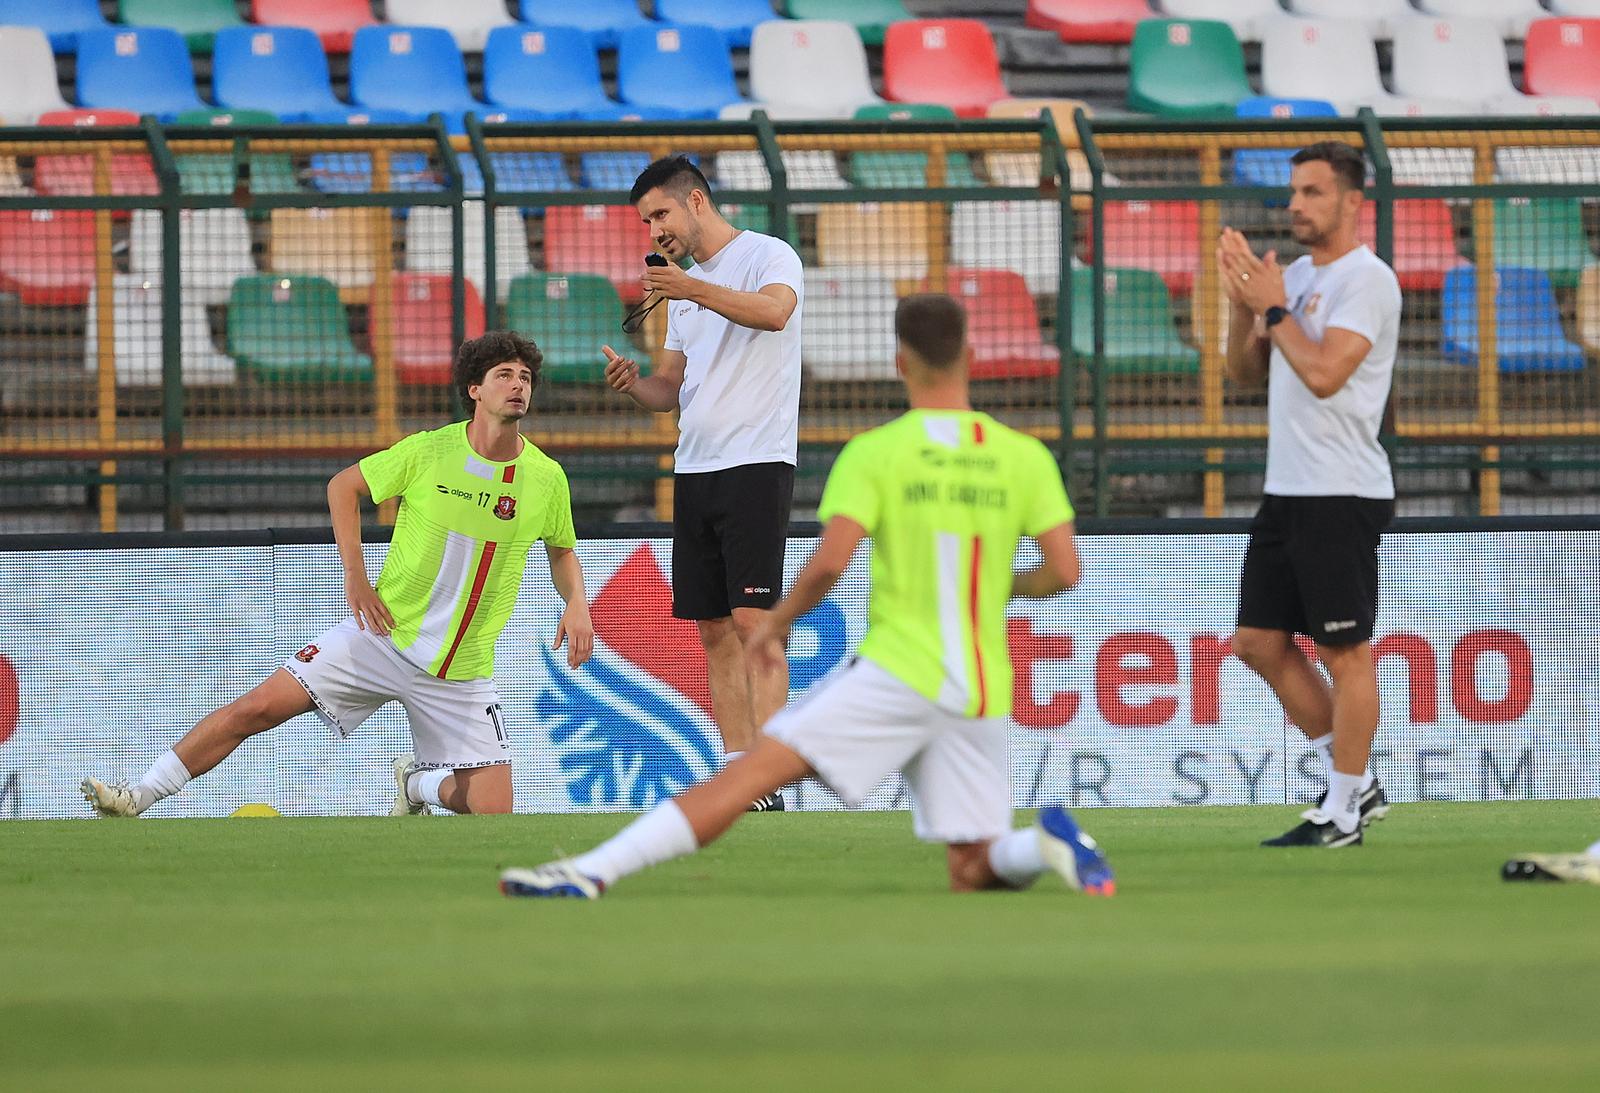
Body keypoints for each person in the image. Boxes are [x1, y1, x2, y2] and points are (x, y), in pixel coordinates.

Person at [500, 294, 1114, 900]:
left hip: (901, 673)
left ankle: (590, 871)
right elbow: (1063, 571)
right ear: (972, 357)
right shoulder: (1023, 456)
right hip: (981, 688)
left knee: (746, 779)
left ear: (899, 362)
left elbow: (829, 564)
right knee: (971, 868)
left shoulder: (877, 453)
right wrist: (999, 584)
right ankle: (1044, 844)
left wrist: (777, 623)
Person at [81, 331, 593, 818]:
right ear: (474, 389)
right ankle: (138, 795)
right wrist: (356, 577)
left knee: (493, 808)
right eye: (505, 375)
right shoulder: (427, 452)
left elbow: (562, 552)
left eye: (526, 377)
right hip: (383, 635)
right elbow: (342, 487)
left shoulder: (546, 479)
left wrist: (577, 604)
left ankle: (414, 782)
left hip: (461, 670)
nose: (519, 385)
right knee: (257, 708)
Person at [600, 155, 802, 811]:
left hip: (756, 463)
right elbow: (671, 388)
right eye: (646, 220)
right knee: (713, 629)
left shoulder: (769, 255)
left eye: (660, 213)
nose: (653, 230)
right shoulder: (681, 290)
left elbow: (774, 315)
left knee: (754, 622)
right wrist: (638, 387)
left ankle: (766, 777)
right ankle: (737, 773)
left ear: (696, 200)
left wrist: (690, 289)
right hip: (696, 467)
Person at [1217, 141, 1401, 848]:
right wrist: (1244, 309)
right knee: (1259, 642)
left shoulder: (1368, 280)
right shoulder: (1291, 276)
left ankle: (1345, 812)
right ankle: (1353, 779)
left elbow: (1325, 373)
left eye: (1313, 192)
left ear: (1353, 201)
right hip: (1288, 486)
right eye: (1294, 191)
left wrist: (1274, 309)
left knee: (1345, 653)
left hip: (1340, 490)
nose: (1296, 204)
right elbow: (1244, 375)